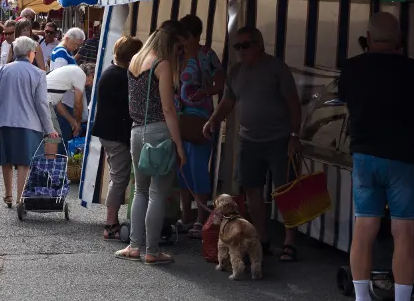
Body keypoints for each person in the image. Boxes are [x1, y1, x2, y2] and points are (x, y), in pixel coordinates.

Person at [339, 12, 414, 301]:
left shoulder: (352, 68)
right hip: (403, 159)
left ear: (368, 39)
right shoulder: (413, 70)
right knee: (405, 233)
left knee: (364, 230)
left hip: (365, 158)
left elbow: (347, 107)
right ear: (400, 41)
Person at [204, 27, 302, 262]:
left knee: (285, 192)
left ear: (259, 44)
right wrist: (213, 120)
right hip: (248, 140)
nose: (240, 51)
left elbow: (293, 103)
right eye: (236, 46)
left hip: (278, 139)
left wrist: (295, 136)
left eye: (245, 45)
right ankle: (261, 238)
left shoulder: (277, 68)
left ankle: (290, 241)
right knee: (252, 190)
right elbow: (228, 100)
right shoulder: (236, 71)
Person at [115, 25, 186, 265]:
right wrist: (179, 144)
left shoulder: (135, 60)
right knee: (157, 192)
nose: (179, 53)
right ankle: (152, 251)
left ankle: (135, 246)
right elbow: (168, 108)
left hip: (137, 131)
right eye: (177, 48)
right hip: (159, 132)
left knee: (141, 190)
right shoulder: (162, 64)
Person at [0, 35, 59, 208]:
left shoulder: (1, 69)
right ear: (29, 53)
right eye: (34, 52)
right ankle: (21, 198)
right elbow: (41, 104)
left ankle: (8, 195)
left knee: (7, 159)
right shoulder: (39, 74)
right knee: (24, 162)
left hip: (4, 120)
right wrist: (50, 129)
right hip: (29, 123)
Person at [175, 14, 225, 239]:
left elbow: (222, 84)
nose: (182, 41)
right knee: (182, 170)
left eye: (185, 36)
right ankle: (186, 216)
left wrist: (205, 92)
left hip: (202, 118)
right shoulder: (177, 55)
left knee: (197, 169)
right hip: (179, 118)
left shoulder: (207, 55)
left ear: (193, 35)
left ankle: (200, 219)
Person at [93, 36, 142, 240]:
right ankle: (111, 223)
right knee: (119, 178)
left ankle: (112, 221)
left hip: (109, 132)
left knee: (118, 177)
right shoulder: (122, 77)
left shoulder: (111, 72)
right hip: (116, 134)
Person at [46, 62, 94, 147]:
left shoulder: (69, 75)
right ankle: (52, 159)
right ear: (91, 75)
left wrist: (73, 122)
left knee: (52, 138)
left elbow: (60, 107)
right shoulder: (80, 75)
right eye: (94, 80)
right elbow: (78, 104)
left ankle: (52, 159)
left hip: (42, 99)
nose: (91, 84)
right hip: (44, 101)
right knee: (53, 140)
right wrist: (78, 123)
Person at [50, 28, 87, 134]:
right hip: (63, 103)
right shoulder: (61, 54)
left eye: (78, 45)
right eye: (74, 44)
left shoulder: (65, 51)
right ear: (66, 38)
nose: (76, 48)